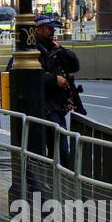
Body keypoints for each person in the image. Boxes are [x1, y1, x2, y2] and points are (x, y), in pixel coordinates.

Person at [34, 15, 80, 173]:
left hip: (57, 105)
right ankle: (57, 182)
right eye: (48, 28)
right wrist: (54, 79)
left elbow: (74, 65)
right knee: (58, 148)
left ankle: (59, 182)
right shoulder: (33, 50)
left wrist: (60, 50)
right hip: (45, 106)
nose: (52, 31)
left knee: (60, 148)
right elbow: (30, 77)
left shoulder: (51, 48)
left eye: (53, 28)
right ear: (38, 29)